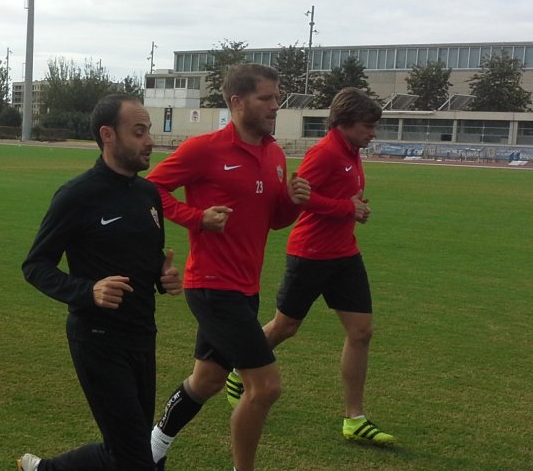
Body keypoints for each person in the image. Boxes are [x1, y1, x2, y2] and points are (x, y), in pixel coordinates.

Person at [147, 64, 310, 471]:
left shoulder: (273, 153)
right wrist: (196, 217)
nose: (275, 105)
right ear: (237, 102)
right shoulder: (205, 149)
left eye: (277, 97)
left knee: (207, 381)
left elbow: (271, 219)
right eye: (266, 98)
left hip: (245, 288)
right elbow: (148, 189)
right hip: (212, 286)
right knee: (266, 387)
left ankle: (149, 451)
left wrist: (292, 201)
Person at [17, 94, 183, 471]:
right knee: (139, 460)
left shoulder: (148, 194)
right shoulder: (78, 195)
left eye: (149, 131)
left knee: (125, 448)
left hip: (142, 335)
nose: (149, 141)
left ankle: (45, 470)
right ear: (108, 135)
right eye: (138, 132)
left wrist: (162, 275)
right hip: (97, 340)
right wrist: (87, 291)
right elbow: (35, 265)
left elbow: (145, 259)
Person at [231, 86, 396, 445]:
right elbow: (300, 196)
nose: (373, 133)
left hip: (344, 255)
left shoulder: (352, 150)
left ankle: (354, 418)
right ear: (346, 123)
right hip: (309, 254)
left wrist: (355, 205)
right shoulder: (324, 152)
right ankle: (237, 366)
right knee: (285, 327)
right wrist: (347, 208)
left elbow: (338, 196)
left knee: (361, 332)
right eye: (368, 126)